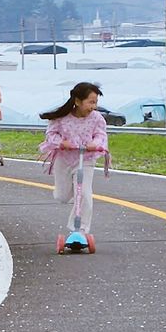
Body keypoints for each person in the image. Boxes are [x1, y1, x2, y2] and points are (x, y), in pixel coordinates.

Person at [39, 82, 110, 253]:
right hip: (65, 158)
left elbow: (101, 135)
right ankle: (70, 196)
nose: (94, 106)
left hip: (86, 159)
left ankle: (80, 231)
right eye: (90, 102)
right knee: (62, 196)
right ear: (77, 101)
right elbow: (51, 134)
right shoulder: (62, 117)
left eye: (95, 102)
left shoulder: (97, 118)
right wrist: (61, 143)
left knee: (84, 194)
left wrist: (96, 143)